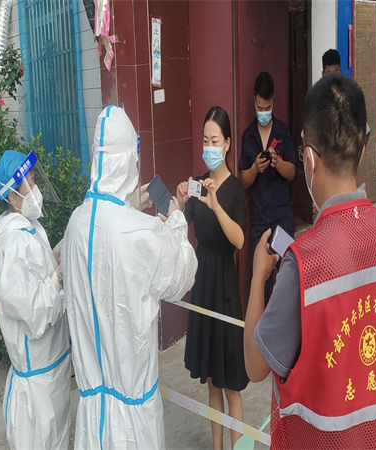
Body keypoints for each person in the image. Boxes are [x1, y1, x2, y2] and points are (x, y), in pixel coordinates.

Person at [244, 74, 376, 449]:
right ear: (364, 147)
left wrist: (259, 276)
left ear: (308, 158)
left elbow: (256, 366)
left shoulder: (304, 263)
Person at [62, 105, 198, 450]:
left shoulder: (76, 224)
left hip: (92, 415)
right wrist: (176, 219)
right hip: (134, 424)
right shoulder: (139, 233)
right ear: (127, 162)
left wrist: (131, 206)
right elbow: (183, 272)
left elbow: (105, 238)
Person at [0, 150, 71, 450]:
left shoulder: (31, 229)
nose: (36, 188)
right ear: (13, 196)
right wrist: (59, 278)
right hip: (37, 386)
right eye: (31, 183)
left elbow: (39, 275)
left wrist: (57, 254)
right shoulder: (14, 246)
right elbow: (35, 315)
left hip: (52, 370)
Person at [177, 106, 249, 450]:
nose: (209, 146)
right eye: (205, 140)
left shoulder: (235, 190)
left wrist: (215, 205)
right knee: (211, 381)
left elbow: (240, 240)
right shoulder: (196, 184)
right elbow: (178, 222)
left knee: (231, 383)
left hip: (225, 291)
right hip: (203, 285)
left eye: (215, 140)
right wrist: (179, 202)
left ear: (227, 144)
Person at [239, 72, 296, 302]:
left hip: (282, 219)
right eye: (260, 108)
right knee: (260, 281)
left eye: (268, 108)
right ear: (254, 101)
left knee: (285, 278)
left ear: (273, 101)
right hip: (261, 222)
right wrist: (255, 168)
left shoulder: (282, 131)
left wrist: (277, 163)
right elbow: (244, 180)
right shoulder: (248, 136)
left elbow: (292, 172)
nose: (264, 112)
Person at [322, 48, 371, 148]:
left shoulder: (349, 99)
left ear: (340, 71)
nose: (333, 78)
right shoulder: (318, 101)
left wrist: (358, 154)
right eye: (329, 74)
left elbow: (365, 131)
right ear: (323, 74)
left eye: (336, 73)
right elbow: (305, 135)